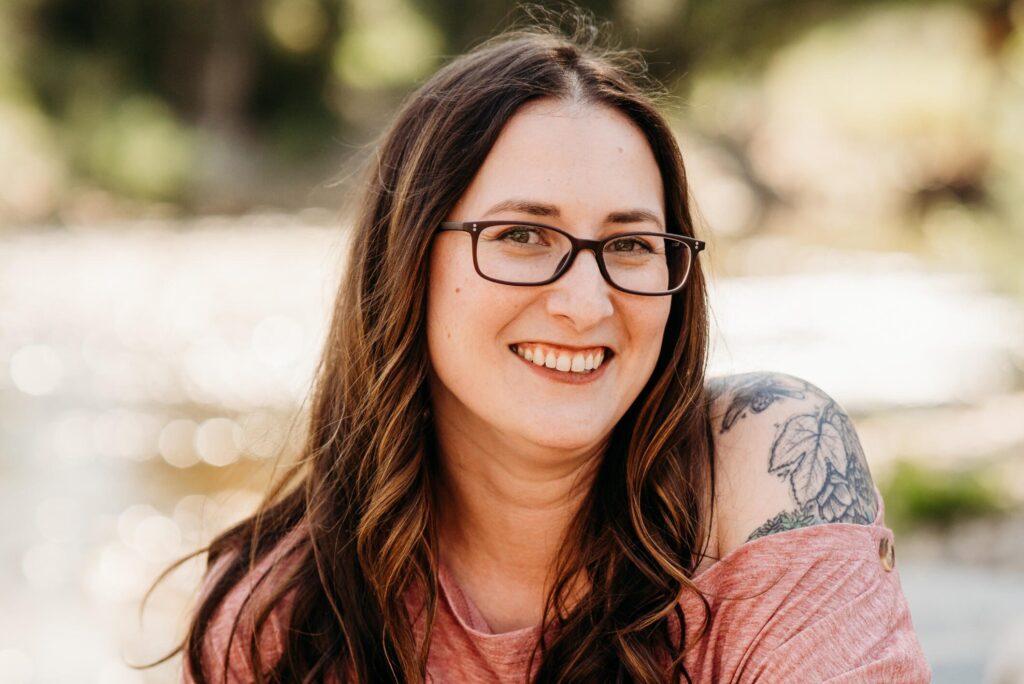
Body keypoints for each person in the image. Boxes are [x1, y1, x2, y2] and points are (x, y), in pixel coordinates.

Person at [162, 15, 931, 684]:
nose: (586, 304)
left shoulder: (768, 460)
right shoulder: (278, 618)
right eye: (522, 235)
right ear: (406, 263)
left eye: (631, 243)